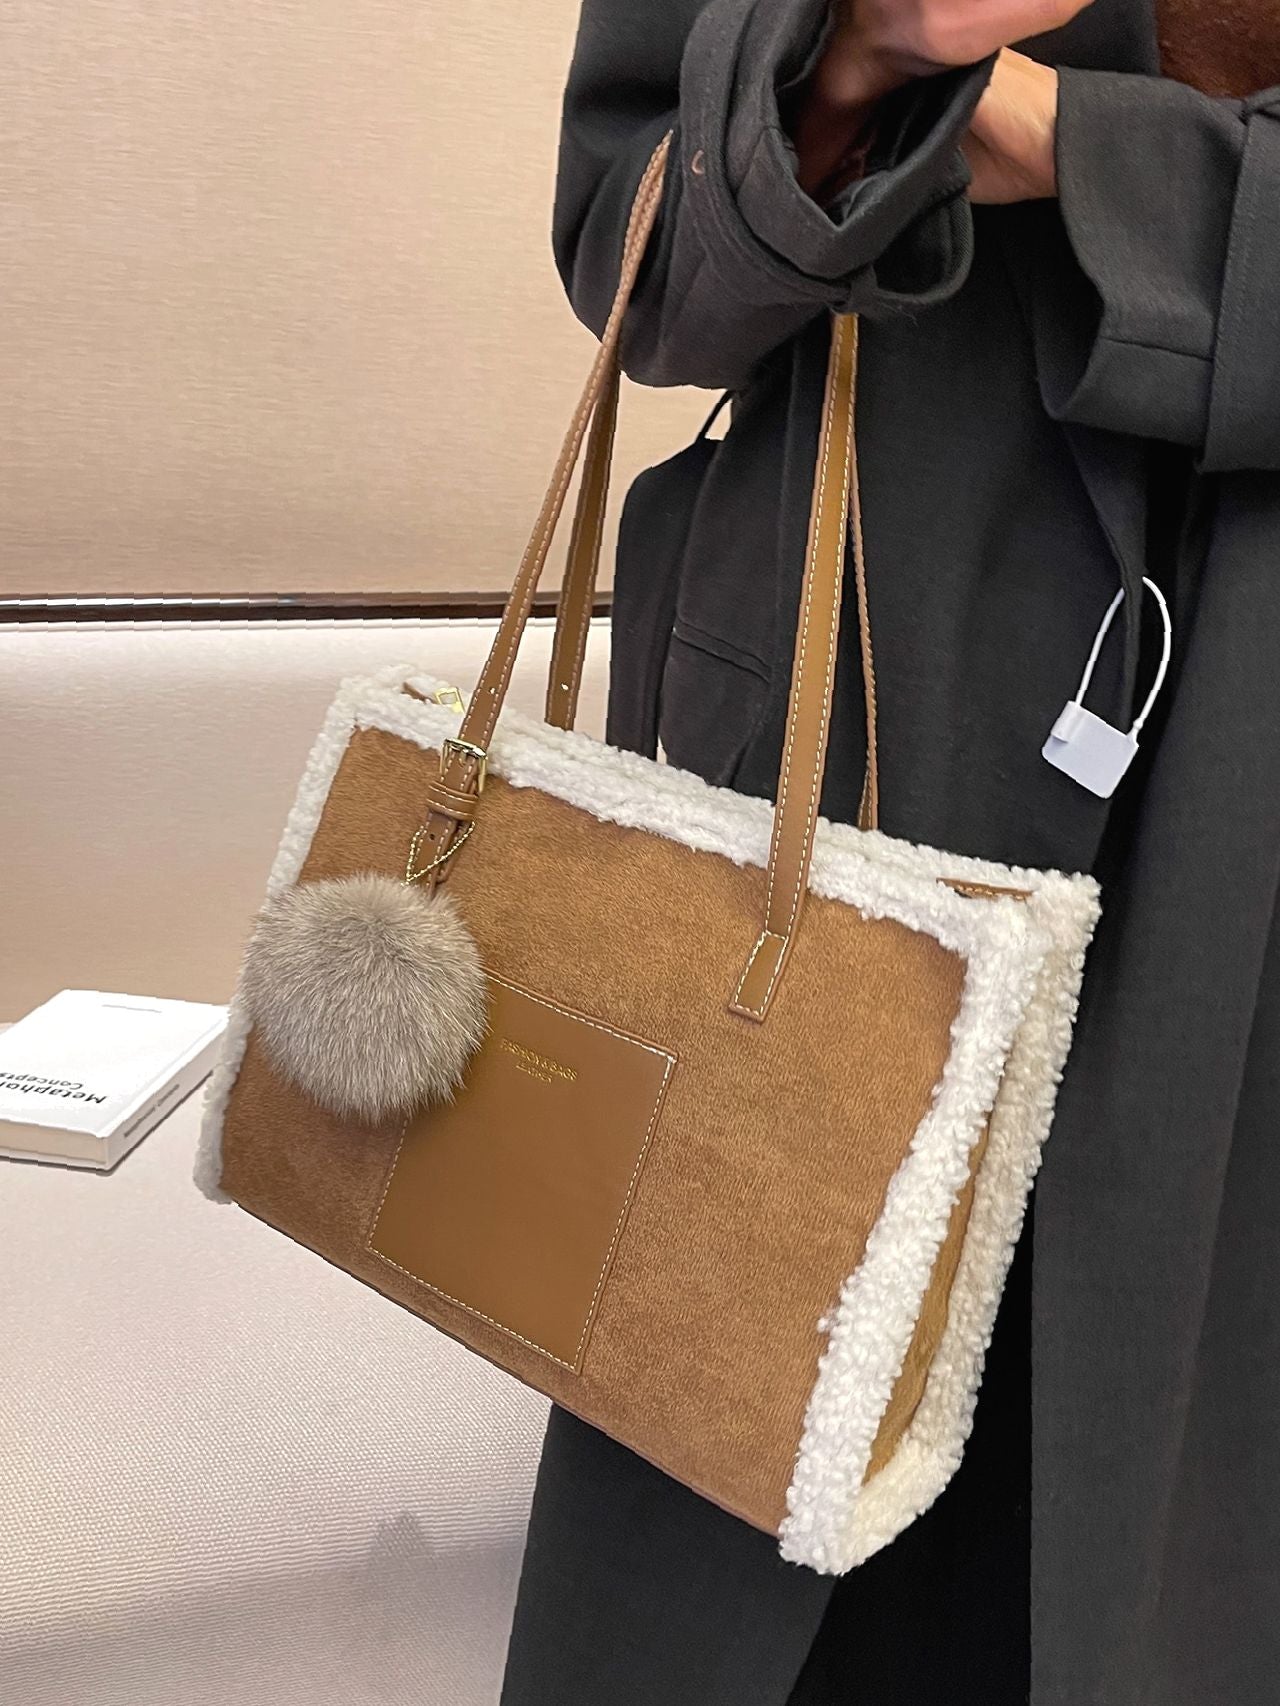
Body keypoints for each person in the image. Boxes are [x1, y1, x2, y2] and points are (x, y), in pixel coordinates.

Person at [500, 3, 1280, 1702]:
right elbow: (635, 250)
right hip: (861, 739)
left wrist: (1080, 152)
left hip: (1240, 820)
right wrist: (844, 62)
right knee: (747, 1553)